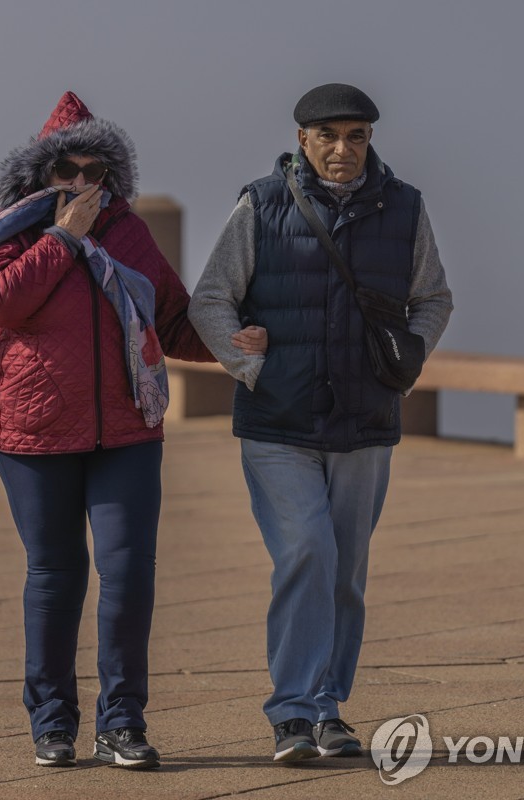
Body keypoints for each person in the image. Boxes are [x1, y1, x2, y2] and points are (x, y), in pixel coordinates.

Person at [0, 91, 266, 770]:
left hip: (126, 433)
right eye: (64, 170)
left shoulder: (130, 233)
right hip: (31, 434)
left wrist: (230, 341)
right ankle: (52, 722)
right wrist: (63, 236)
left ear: (113, 175)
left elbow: (172, 322)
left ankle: (122, 723)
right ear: (39, 173)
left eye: (93, 171)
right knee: (57, 574)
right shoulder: (11, 229)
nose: (79, 182)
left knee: (128, 574)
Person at [188, 83, 453, 762]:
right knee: (308, 549)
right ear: (303, 139)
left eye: (356, 136)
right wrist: (247, 367)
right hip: (279, 419)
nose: (343, 149)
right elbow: (212, 297)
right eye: (329, 136)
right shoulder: (263, 203)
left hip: (366, 419)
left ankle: (330, 707)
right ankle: (292, 712)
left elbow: (433, 297)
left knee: (346, 569)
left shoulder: (405, 207)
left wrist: (407, 361)